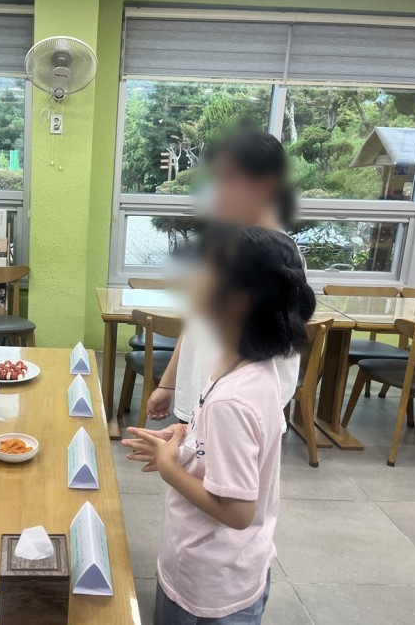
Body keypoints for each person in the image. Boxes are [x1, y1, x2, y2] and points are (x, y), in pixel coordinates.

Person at [123, 226, 315, 624]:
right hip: (230, 566)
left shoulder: (234, 399)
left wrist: (169, 466)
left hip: (208, 583)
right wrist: (184, 437)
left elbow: (238, 511)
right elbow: (231, 449)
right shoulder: (246, 369)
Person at [146, 129, 301, 424]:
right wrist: (168, 383)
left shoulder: (278, 255)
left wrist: (227, 403)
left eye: (229, 179)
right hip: (201, 392)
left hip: (234, 405)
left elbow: (272, 342)